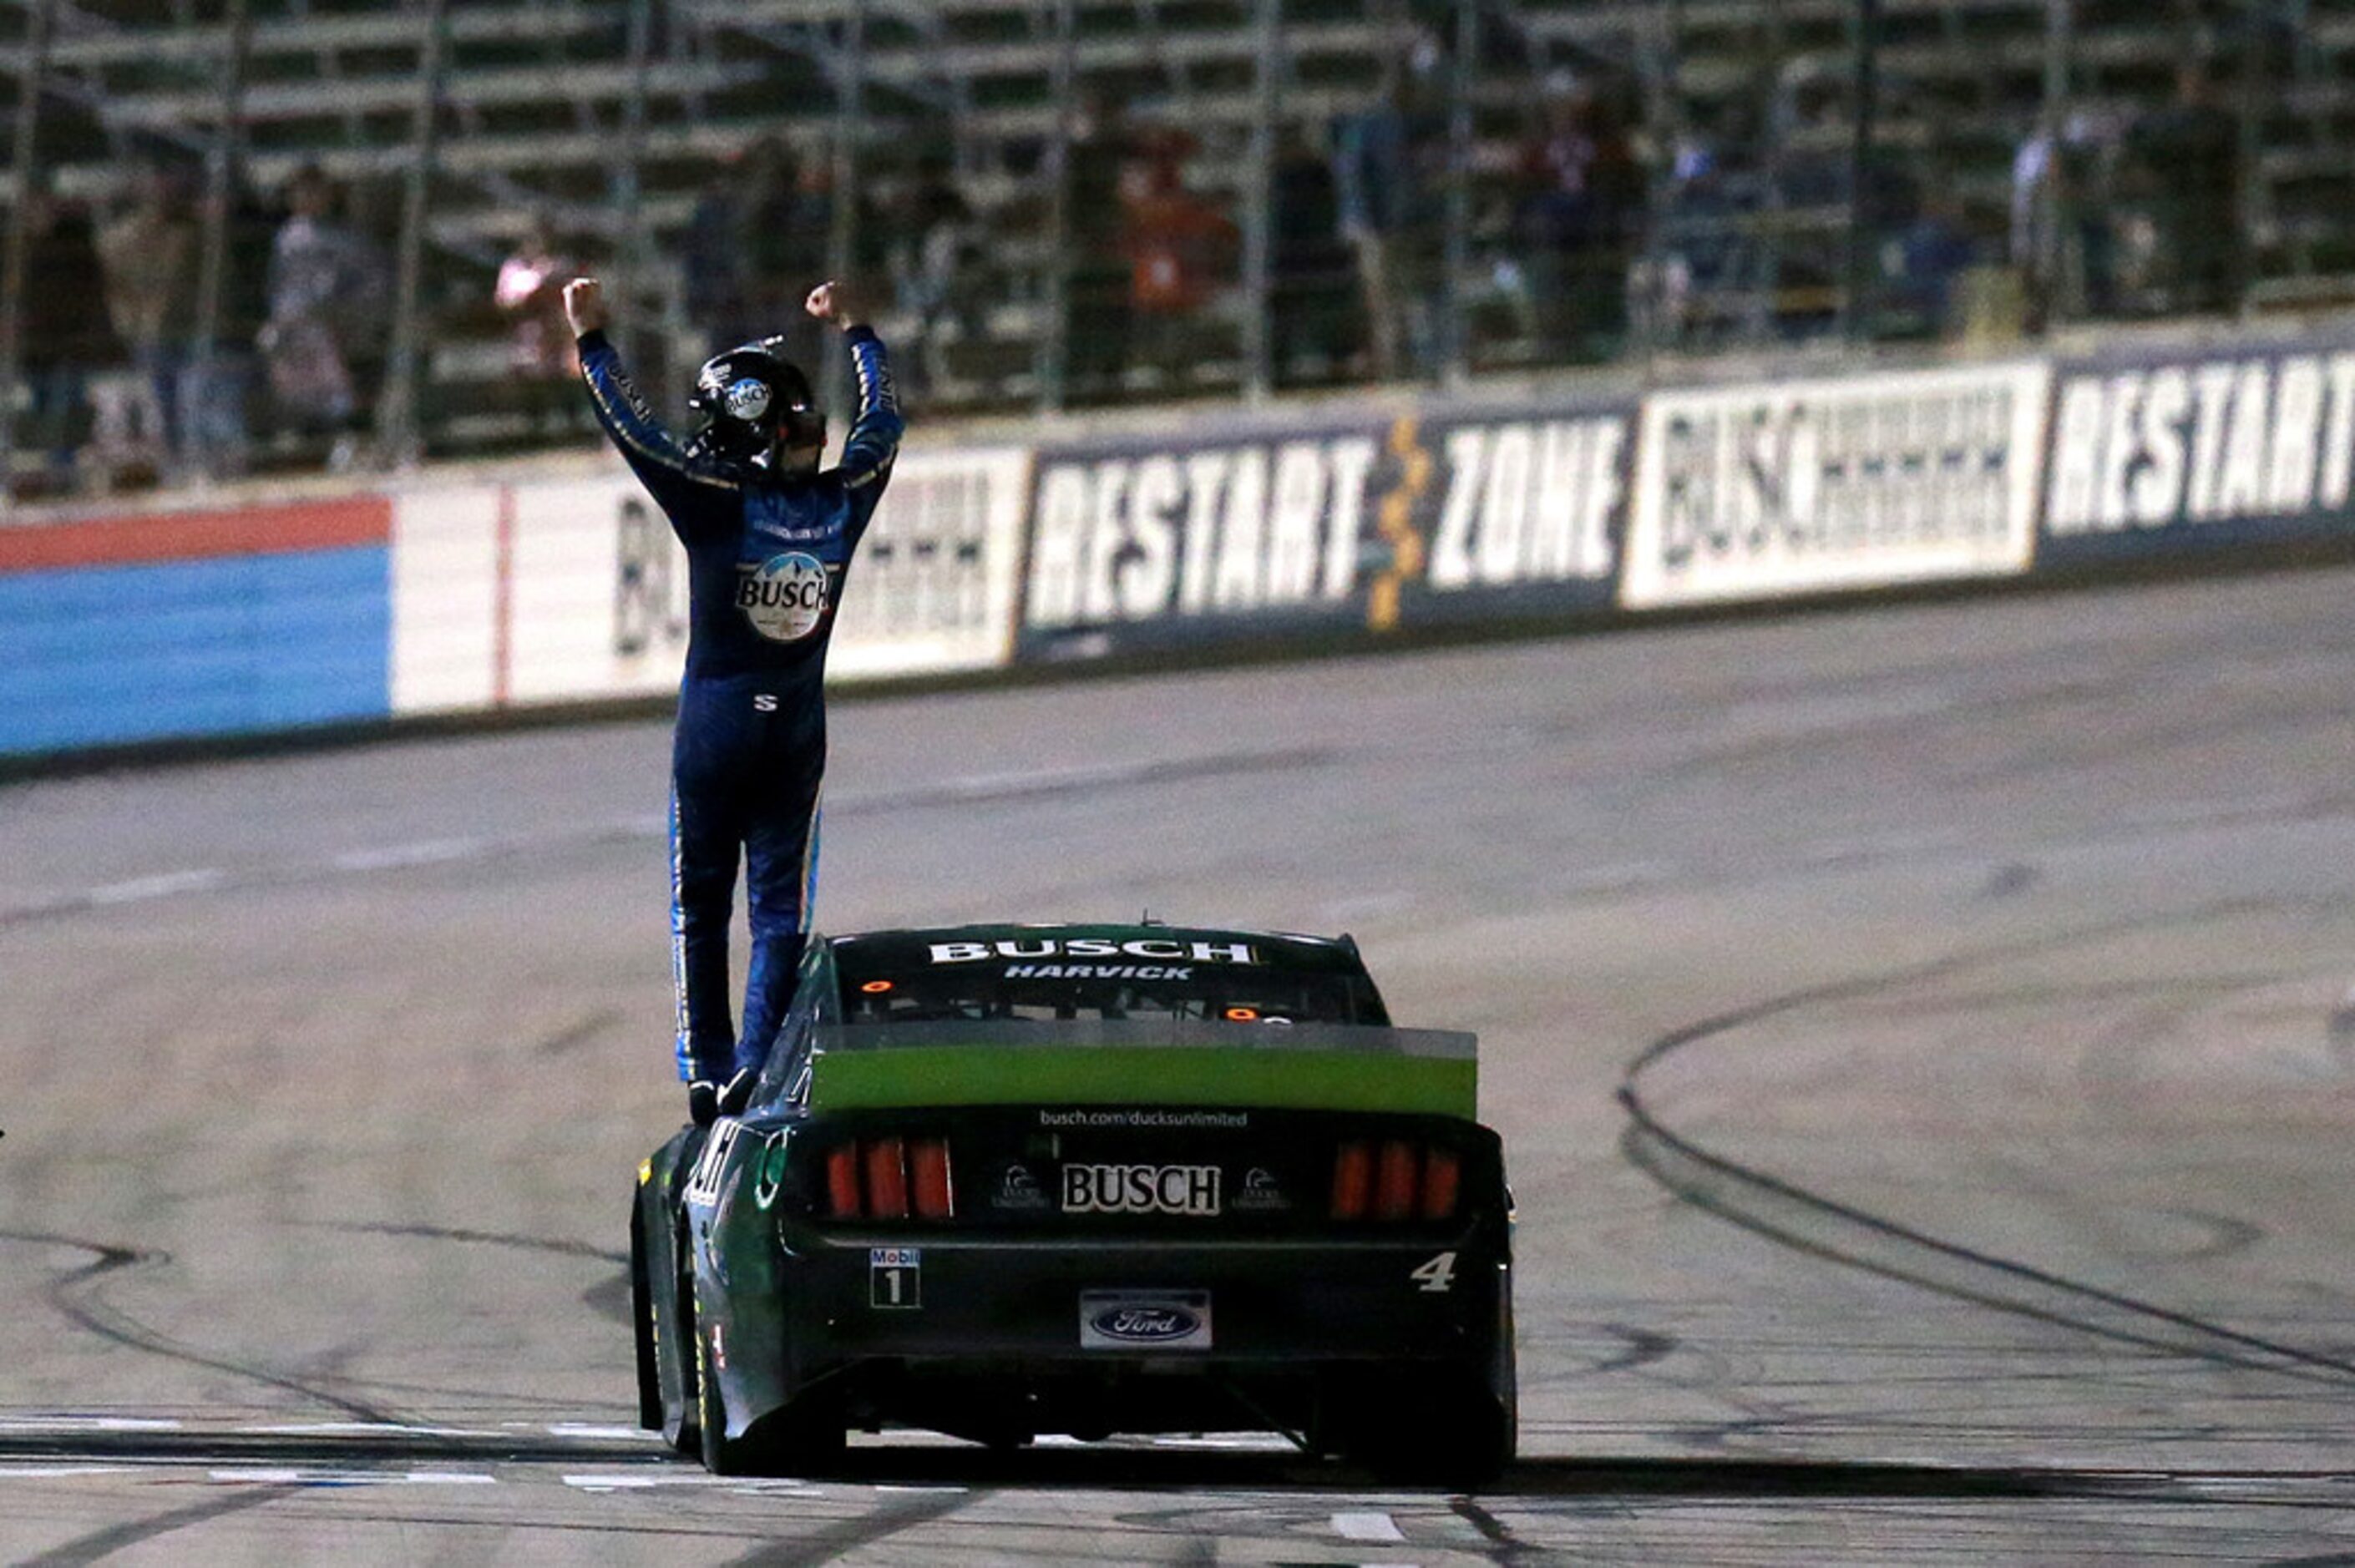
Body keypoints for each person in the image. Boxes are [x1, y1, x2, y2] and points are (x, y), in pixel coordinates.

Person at [564, 273, 904, 1126]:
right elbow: (884, 428)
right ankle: (757, 1061)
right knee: (779, 905)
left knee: (699, 902)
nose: (809, 447)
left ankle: (708, 1070)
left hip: (713, 729)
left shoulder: (714, 506)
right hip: (795, 733)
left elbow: (638, 436)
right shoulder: (842, 503)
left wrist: (594, 344)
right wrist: (860, 334)